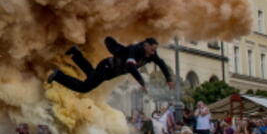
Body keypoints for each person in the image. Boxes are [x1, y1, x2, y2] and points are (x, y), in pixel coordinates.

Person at [47, 37, 175, 94]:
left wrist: (168, 79)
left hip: (108, 71)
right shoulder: (134, 50)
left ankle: (75, 53)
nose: (153, 53)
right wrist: (142, 83)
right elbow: (131, 68)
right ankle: (58, 76)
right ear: (145, 45)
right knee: (84, 87)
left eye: (154, 50)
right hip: (106, 68)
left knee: (91, 74)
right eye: (152, 49)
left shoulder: (151, 55)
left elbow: (161, 63)